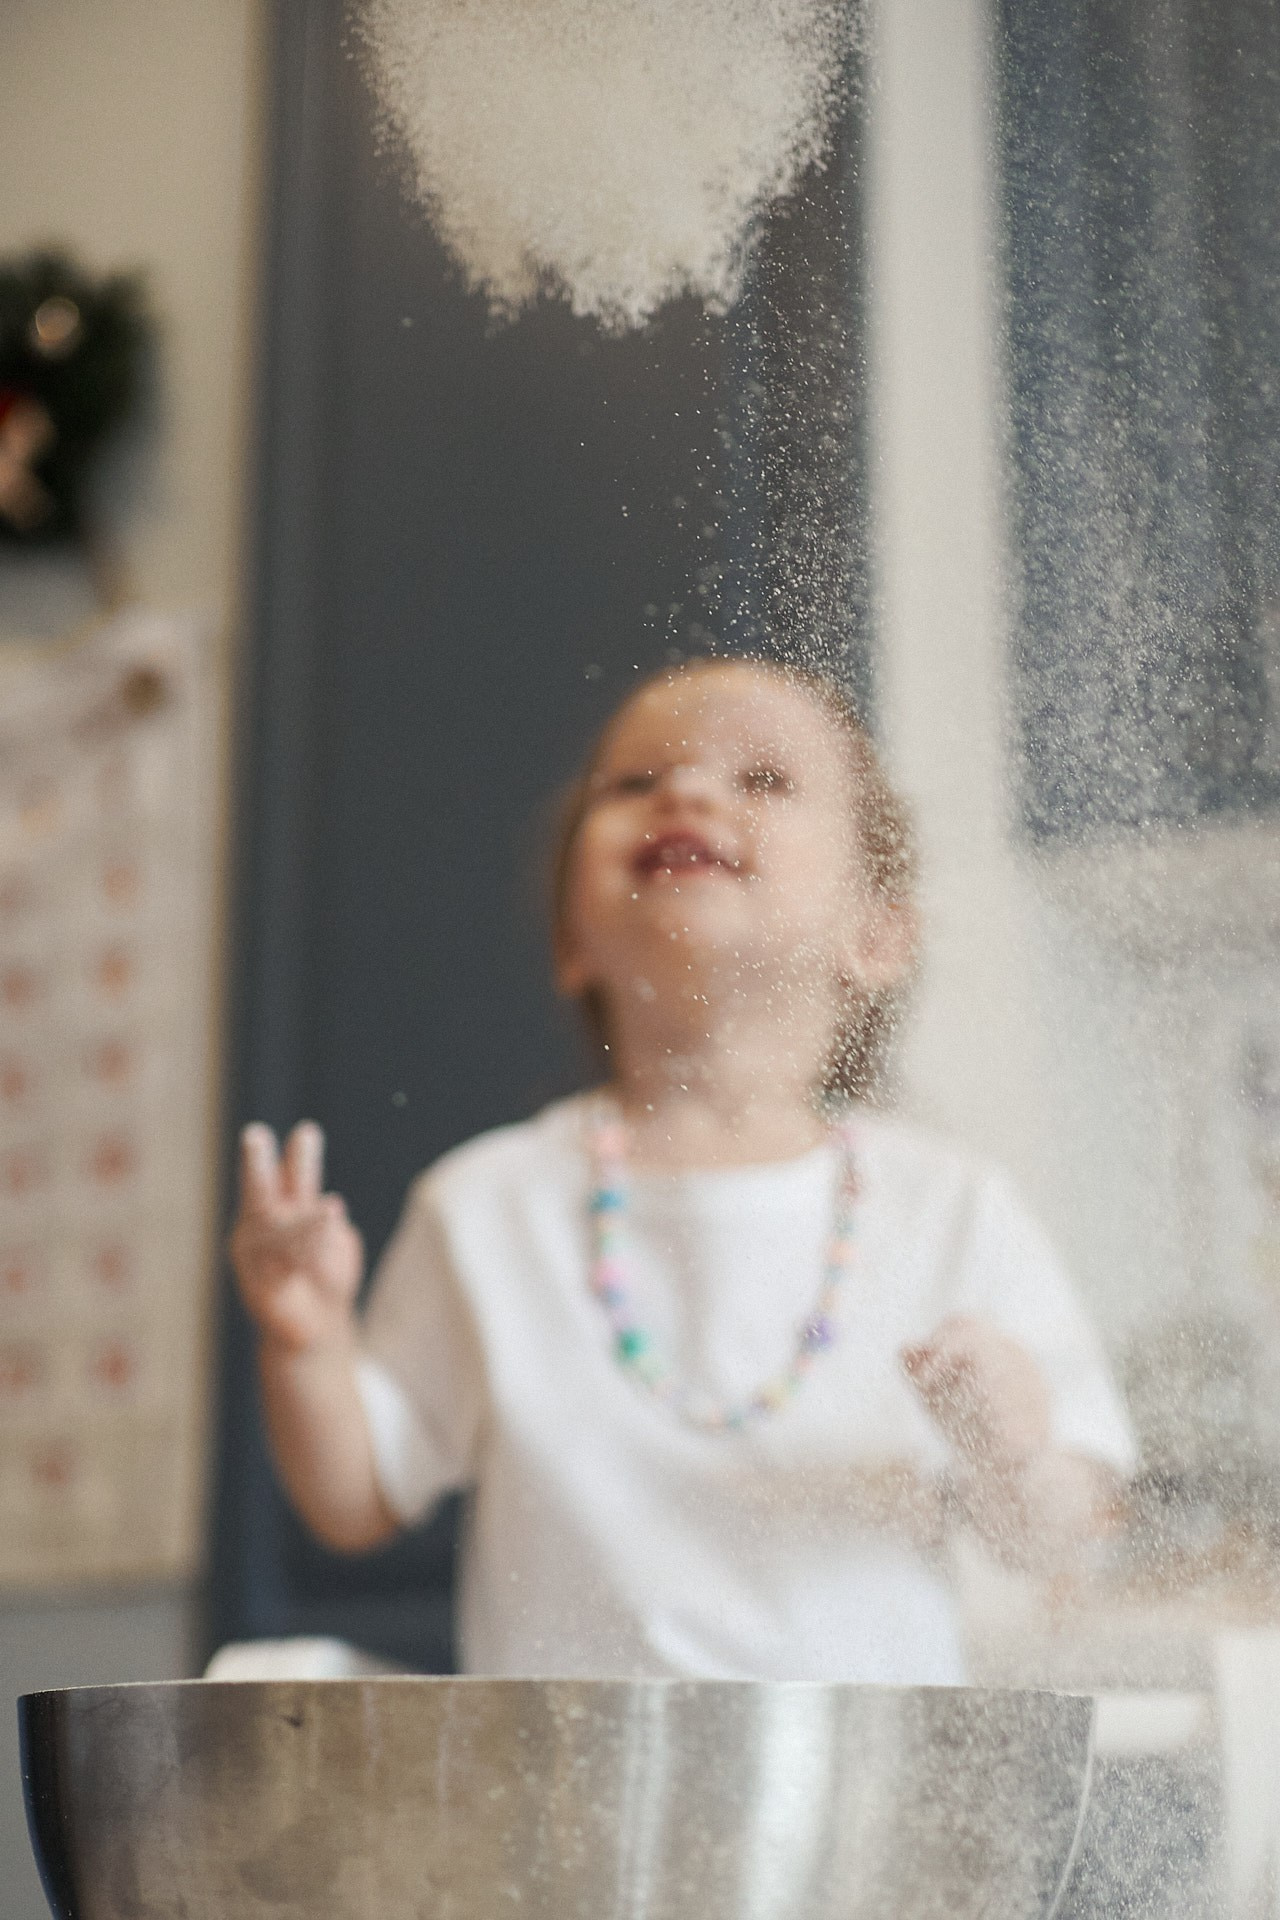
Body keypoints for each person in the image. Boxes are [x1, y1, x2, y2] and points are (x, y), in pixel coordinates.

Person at [229, 656, 1134, 1683]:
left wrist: (1009, 1448)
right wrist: (304, 1344)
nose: (687, 792)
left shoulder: (949, 1209)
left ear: (875, 935)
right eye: (631, 783)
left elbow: (1064, 1536)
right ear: (574, 939)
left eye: (761, 780)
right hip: (567, 1819)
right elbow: (356, 1498)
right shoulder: (484, 1206)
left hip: (866, 1813)